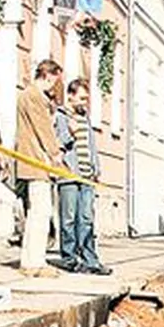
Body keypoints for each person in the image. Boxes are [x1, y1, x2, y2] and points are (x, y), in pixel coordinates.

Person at [54, 74, 111, 275]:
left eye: (86, 98)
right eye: (82, 98)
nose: (84, 102)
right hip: (69, 174)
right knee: (69, 218)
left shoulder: (85, 118)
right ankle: (70, 257)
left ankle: (90, 259)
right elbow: (59, 144)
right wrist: (70, 131)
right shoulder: (60, 116)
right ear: (70, 96)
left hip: (87, 175)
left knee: (86, 218)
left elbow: (91, 145)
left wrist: (96, 168)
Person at [15, 59, 64, 276]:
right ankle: (35, 262)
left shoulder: (27, 94)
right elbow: (42, 127)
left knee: (36, 212)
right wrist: (55, 153)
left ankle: (30, 260)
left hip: (32, 158)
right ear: (49, 76)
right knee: (41, 213)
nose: (54, 87)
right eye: (55, 81)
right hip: (36, 160)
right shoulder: (34, 96)